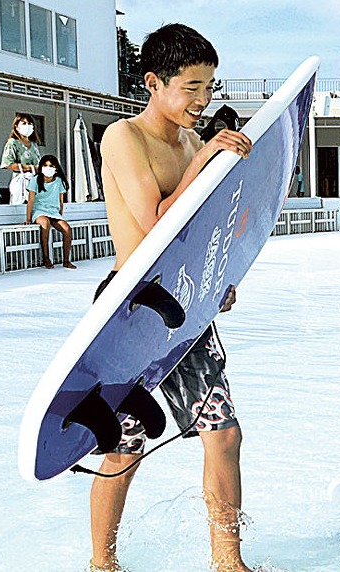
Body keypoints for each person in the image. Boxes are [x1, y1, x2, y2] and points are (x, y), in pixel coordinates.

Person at [91, 23, 253, 572]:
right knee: (125, 445)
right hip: (132, 310)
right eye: (191, 88)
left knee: (224, 434)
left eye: (209, 87)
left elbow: (205, 232)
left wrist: (217, 281)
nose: (202, 100)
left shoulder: (193, 142)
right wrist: (203, 161)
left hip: (186, 307)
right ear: (154, 82)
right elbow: (155, 223)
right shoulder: (124, 137)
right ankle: (102, 562)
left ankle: (228, 563)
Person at [24, 154, 76, 269]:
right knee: (45, 223)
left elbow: (61, 201)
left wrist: (60, 216)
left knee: (67, 229)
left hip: (54, 212)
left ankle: (66, 260)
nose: (48, 168)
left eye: (51, 166)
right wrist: (28, 218)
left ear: (56, 168)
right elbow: (31, 201)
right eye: (45, 165)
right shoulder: (35, 180)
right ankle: (46, 258)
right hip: (39, 211)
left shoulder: (59, 181)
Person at [0, 112, 41, 205]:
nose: (27, 126)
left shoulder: (34, 145)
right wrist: (28, 168)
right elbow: (8, 163)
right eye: (24, 123)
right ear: (16, 126)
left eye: (29, 123)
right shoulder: (12, 143)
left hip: (35, 183)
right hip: (21, 182)